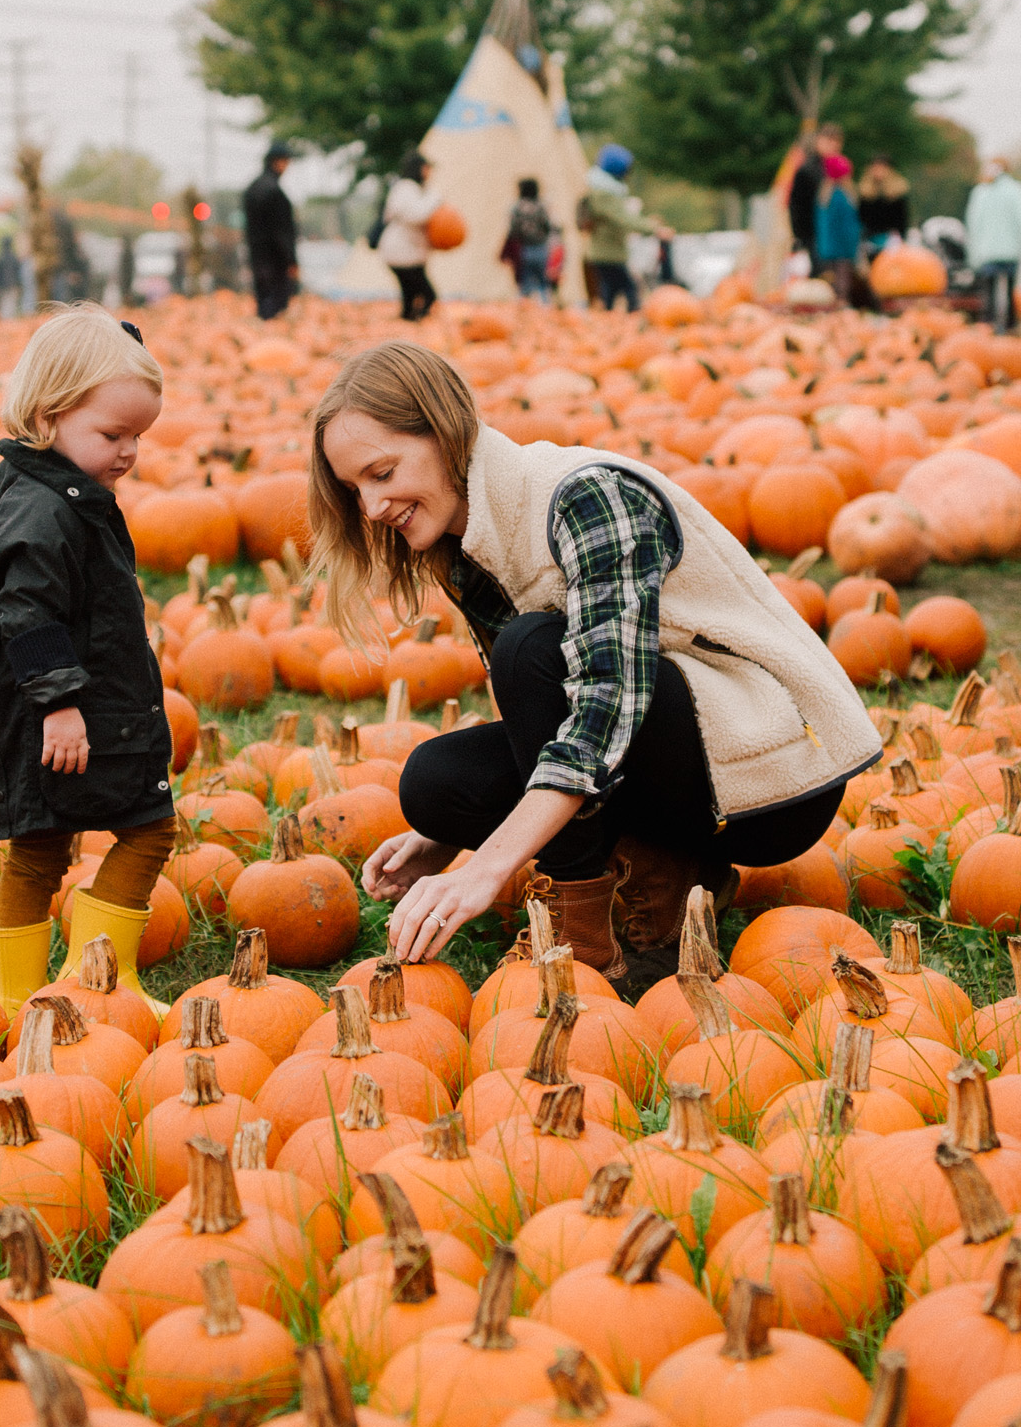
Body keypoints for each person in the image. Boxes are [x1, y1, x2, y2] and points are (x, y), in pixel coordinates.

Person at [309, 344, 879, 996]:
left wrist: (488, 866)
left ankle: (591, 938)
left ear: (444, 431)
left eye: (382, 473)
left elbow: (607, 705)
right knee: (435, 786)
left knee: (530, 649)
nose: (374, 506)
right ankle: (668, 865)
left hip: (766, 776)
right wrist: (447, 842)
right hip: (663, 751)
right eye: (357, 490)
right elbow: (543, 714)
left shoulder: (586, 496)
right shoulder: (472, 544)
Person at [0, 308, 177, 1020]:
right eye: (112, 435)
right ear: (50, 415)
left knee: (37, 849)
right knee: (150, 828)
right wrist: (60, 703)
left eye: (137, 437)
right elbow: (25, 615)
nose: (128, 452)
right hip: (64, 717)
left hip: (40, 718)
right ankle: (99, 982)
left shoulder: (45, 490)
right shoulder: (44, 511)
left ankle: (18, 1000)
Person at [963, 157, 1021, 334]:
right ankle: (1010, 326)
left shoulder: (980, 192)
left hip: (987, 252)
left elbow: (973, 224)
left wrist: (972, 254)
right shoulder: (1016, 190)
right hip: (1010, 251)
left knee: (989, 292)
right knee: (1009, 291)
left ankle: (989, 327)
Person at [378, 150, 442, 321]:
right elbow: (416, 215)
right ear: (419, 168)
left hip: (407, 252)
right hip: (403, 253)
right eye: (427, 168)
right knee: (427, 295)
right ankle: (415, 325)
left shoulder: (407, 188)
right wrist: (435, 198)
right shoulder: (407, 188)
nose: (429, 172)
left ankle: (408, 322)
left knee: (410, 294)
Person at [580, 145, 643, 310]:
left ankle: (608, 321)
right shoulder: (605, 193)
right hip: (607, 252)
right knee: (629, 287)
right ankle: (629, 321)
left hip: (606, 251)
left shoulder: (605, 190)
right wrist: (653, 226)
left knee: (611, 288)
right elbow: (623, 218)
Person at [243, 139, 300, 321]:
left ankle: (264, 341)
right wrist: (291, 259)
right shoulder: (275, 192)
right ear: (278, 161)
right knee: (277, 307)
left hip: (257, 255)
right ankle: (273, 344)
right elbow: (282, 231)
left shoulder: (252, 189)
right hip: (276, 259)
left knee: (263, 301)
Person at [786, 123, 841, 262]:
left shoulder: (839, 169)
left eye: (836, 142)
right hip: (813, 235)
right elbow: (797, 205)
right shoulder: (807, 170)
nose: (833, 146)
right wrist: (801, 237)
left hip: (835, 234)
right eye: (829, 141)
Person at [811, 151, 860, 302]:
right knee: (838, 277)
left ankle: (837, 302)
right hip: (839, 245)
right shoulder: (839, 196)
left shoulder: (827, 196)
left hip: (832, 246)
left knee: (834, 276)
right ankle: (839, 302)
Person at [505, 178, 553, 300]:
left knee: (524, 282)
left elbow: (513, 230)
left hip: (524, 249)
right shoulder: (541, 206)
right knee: (543, 281)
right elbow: (548, 226)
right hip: (541, 248)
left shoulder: (517, 208)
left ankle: (524, 309)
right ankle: (545, 307)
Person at [855, 154, 910, 253]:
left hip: (891, 240)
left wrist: (902, 239)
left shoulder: (898, 192)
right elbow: (861, 218)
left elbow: (903, 219)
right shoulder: (864, 192)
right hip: (870, 239)